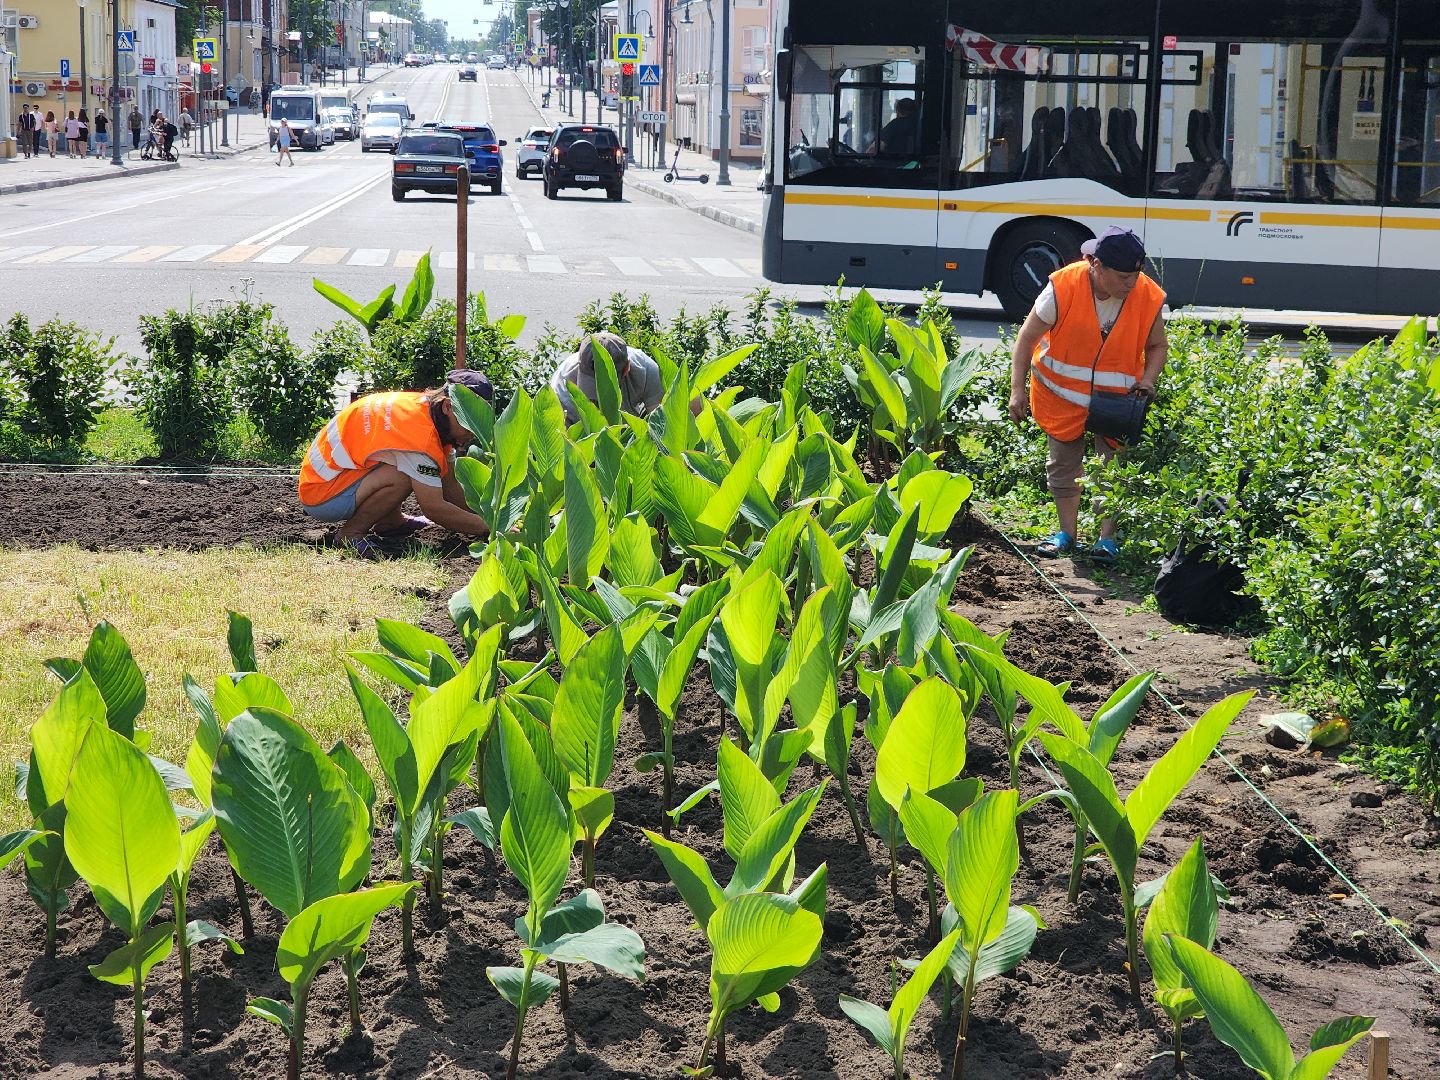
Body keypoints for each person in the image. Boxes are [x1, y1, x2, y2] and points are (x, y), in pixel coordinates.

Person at [1007, 226, 1168, 565]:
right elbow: (1026, 339)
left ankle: (1106, 540)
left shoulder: (1146, 294)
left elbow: (1157, 346)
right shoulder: (1062, 287)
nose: (1132, 283)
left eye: (1137, 275)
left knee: (1110, 470)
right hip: (1060, 395)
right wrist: (1017, 390)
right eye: (1124, 276)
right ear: (1095, 264)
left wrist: (1149, 381)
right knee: (1064, 467)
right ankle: (1067, 534)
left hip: (1117, 402)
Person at [297, 371, 496, 556]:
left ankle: (391, 522)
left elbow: (450, 485)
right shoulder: (420, 439)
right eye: (470, 420)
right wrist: (488, 527)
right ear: (447, 406)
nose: (474, 431)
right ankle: (351, 534)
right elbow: (434, 508)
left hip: (333, 475)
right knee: (402, 476)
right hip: (322, 493)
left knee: (399, 463)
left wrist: (490, 516)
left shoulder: (425, 409)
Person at [550, 332, 681, 423]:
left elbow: (659, 423)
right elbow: (560, 444)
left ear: (626, 369)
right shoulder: (562, 387)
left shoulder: (645, 370)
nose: (598, 399)